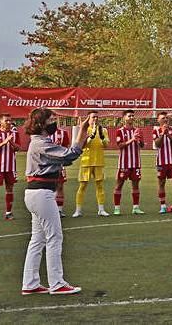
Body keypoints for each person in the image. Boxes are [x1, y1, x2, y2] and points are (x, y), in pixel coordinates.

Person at [21, 109, 89, 296]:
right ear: (42, 124)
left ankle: (30, 283)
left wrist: (80, 137)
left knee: (38, 239)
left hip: (36, 194)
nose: (54, 123)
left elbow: (64, 159)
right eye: (51, 119)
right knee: (54, 237)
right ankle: (57, 283)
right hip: (42, 194)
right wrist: (82, 133)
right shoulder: (41, 143)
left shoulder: (41, 142)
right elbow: (70, 155)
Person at [73, 111, 109, 218]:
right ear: (88, 118)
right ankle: (78, 210)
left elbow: (106, 144)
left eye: (97, 117)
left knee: (100, 185)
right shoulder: (84, 130)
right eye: (93, 117)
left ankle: (101, 209)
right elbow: (80, 145)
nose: (96, 119)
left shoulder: (103, 130)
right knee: (82, 186)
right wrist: (90, 136)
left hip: (99, 161)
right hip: (86, 161)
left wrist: (102, 138)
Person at [113, 110, 144, 216]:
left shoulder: (138, 130)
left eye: (132, 116)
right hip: (123, 164)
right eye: (129, 116)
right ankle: (117, 208)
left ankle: (136, 207)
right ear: (124, 118)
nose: (131, 117)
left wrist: (139, 141)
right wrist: (132, 139)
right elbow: (120, 145)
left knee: (136, 185)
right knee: (119, 185)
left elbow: (142, 145)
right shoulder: (120, 131)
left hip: (136, 163)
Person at [51, 123, 71, 216]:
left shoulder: (63, 133)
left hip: (59, 164)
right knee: (46, 187)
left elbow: (66, 148)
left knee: (60, 186)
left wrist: (60, 148)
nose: (53, 121)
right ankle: (49, 209)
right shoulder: (43, 133)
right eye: (51, 119)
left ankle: (59, 210)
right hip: (46, 165)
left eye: (55, 119)